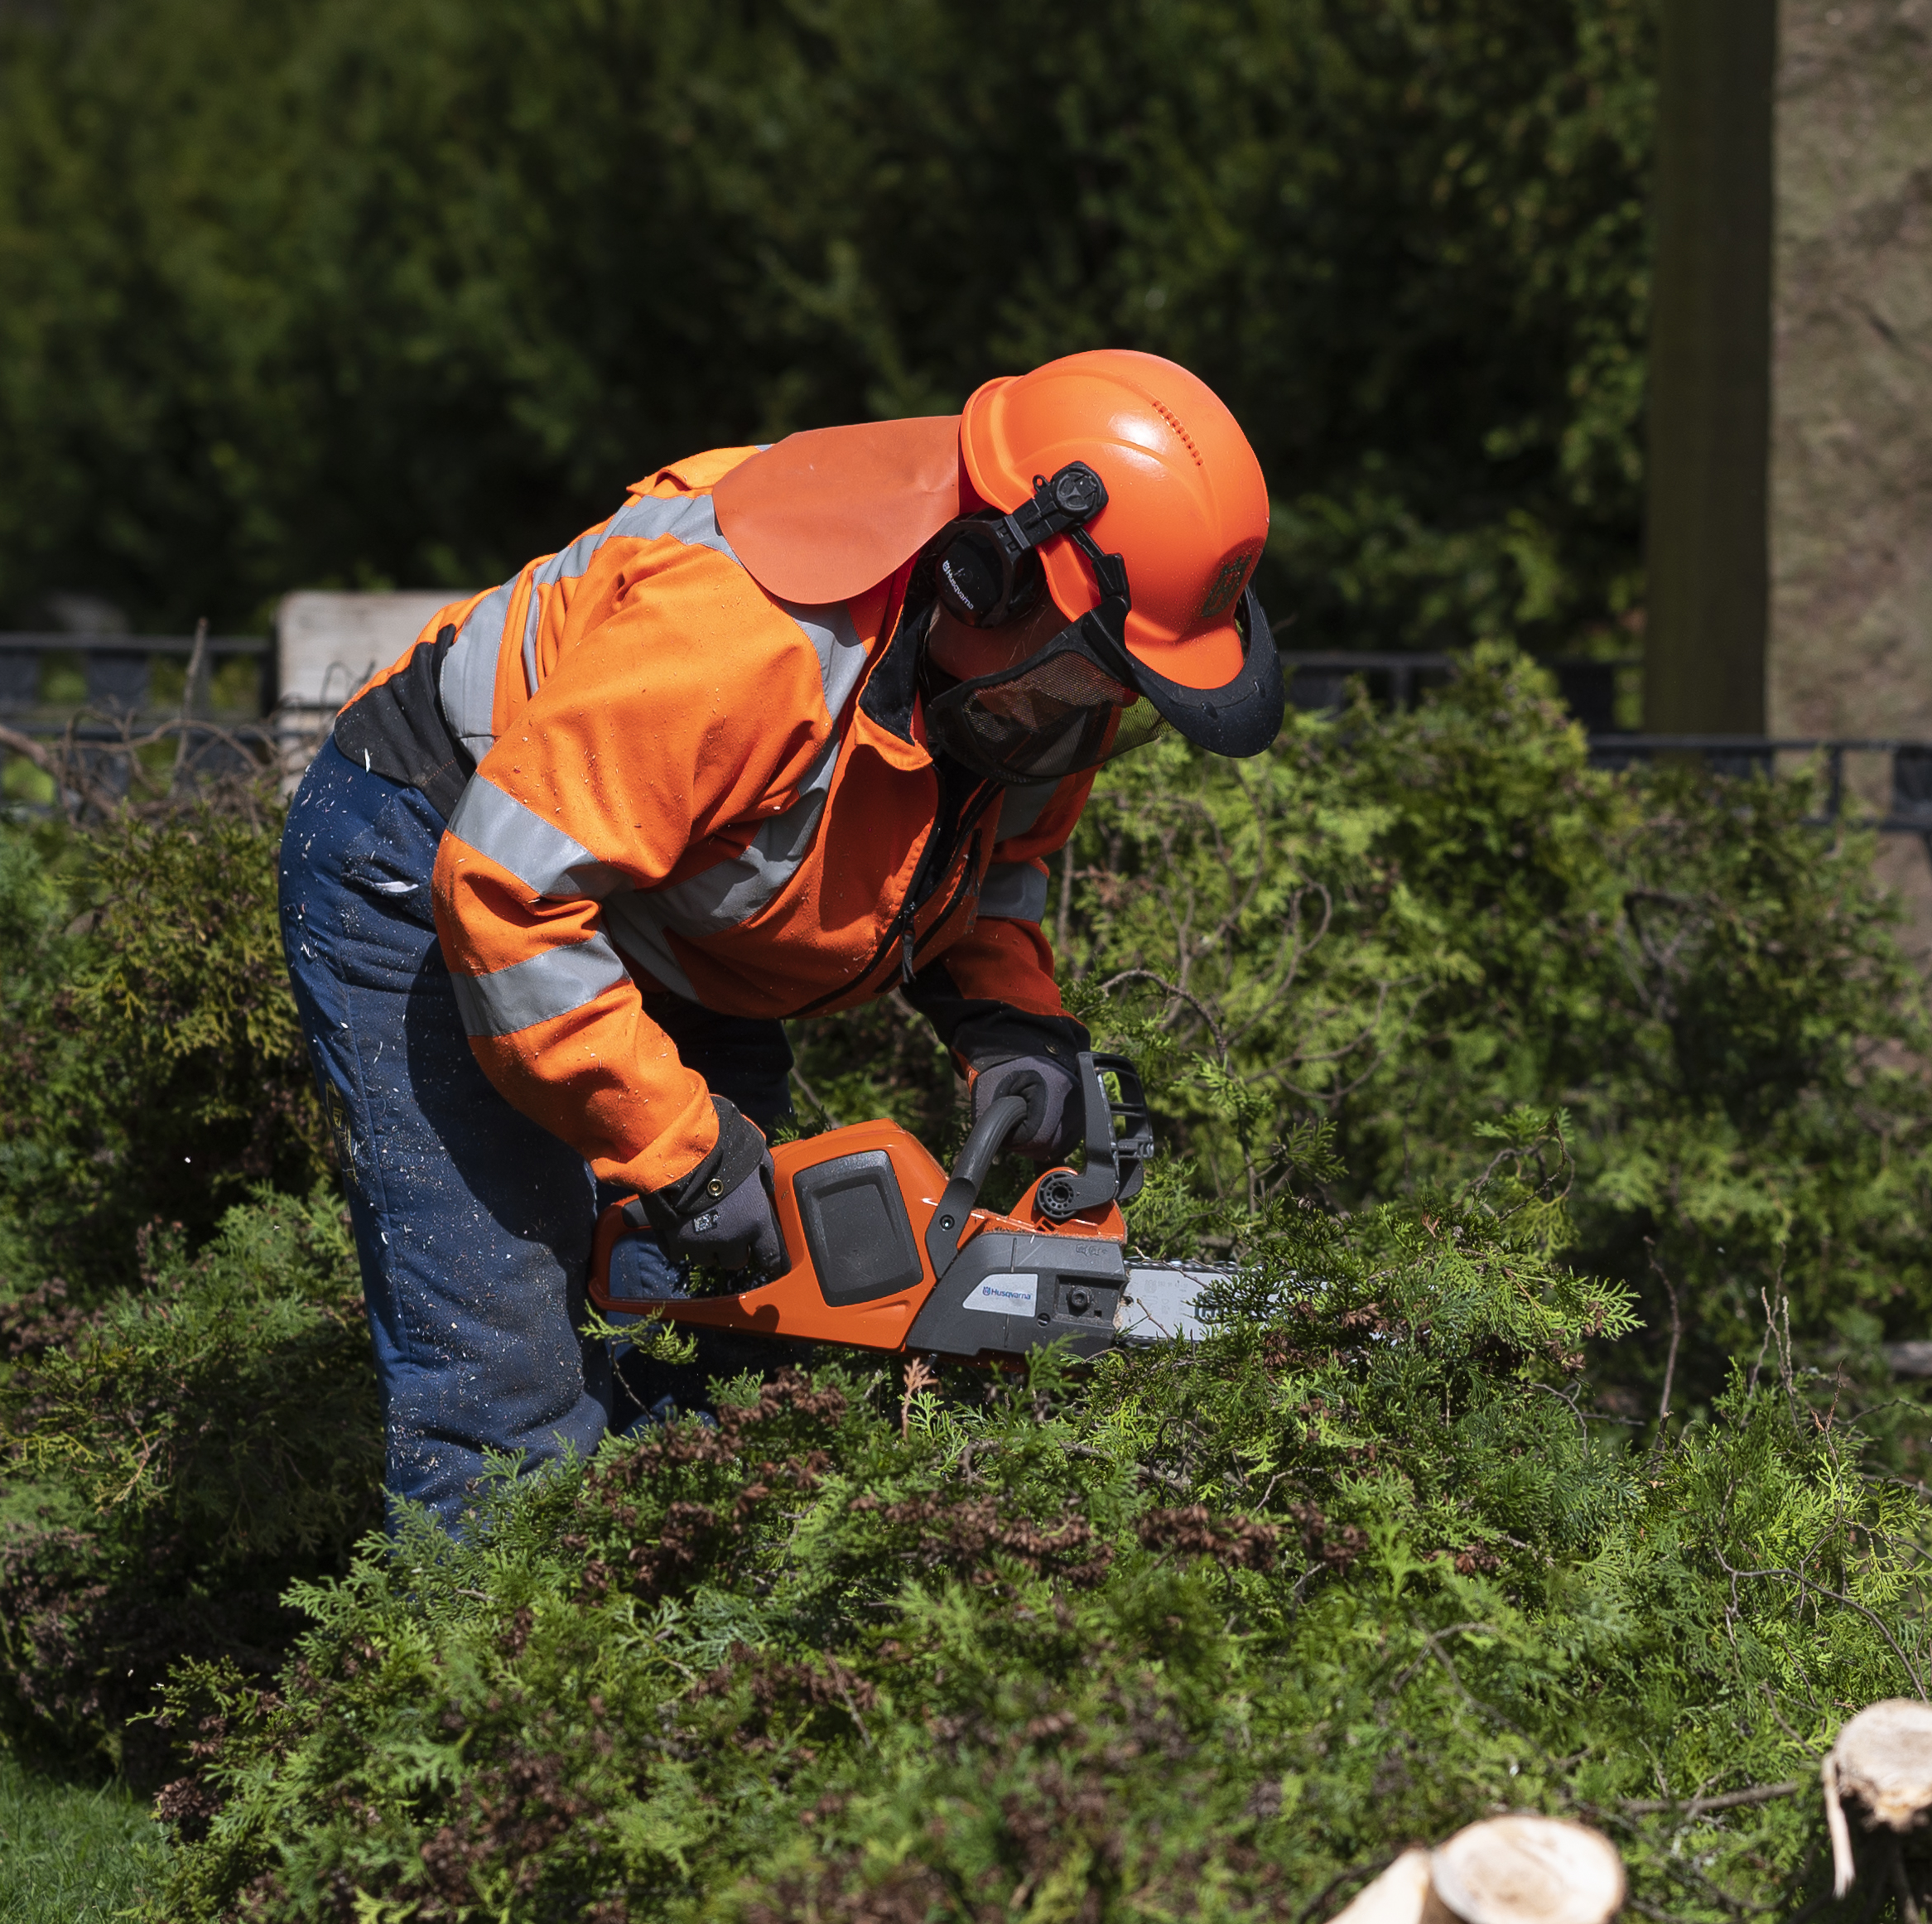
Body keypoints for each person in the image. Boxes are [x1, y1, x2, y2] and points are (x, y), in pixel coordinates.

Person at [277, 348, 1284, 1524]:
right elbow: (507, 887)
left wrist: (1008, 1018)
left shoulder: (1019, 703)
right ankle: (490, 1670)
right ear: (978, 578)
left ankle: (677, 1655)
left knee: (720, 1347)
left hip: (671, 919)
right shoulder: (754, 635)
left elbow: (993, 866)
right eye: (1086, 683)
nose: (1090, 723)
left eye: (1119, 700)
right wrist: (678, 1149)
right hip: (445, 859)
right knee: (508, 1385)